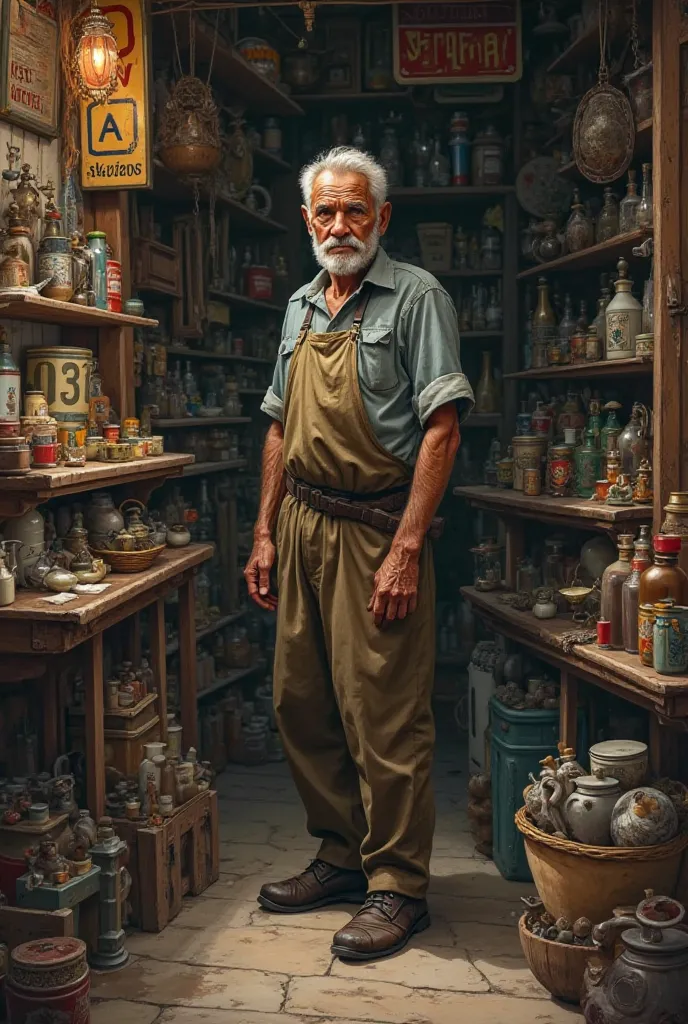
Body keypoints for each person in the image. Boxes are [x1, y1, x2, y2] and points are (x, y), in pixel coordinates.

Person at [245, 147, 474, 961]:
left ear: (382, 218)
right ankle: (341, 859)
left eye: (355, 211)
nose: (340, 226)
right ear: (308, 221)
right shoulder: (303, 305)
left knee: (384, 718)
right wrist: (265, 529)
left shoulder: (416, 297)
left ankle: (398, 888)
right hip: (302, 524)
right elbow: (278, 423)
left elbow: (442, 426)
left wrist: (407, 545)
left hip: (377, 528)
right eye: (326, 212)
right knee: (301, 703)